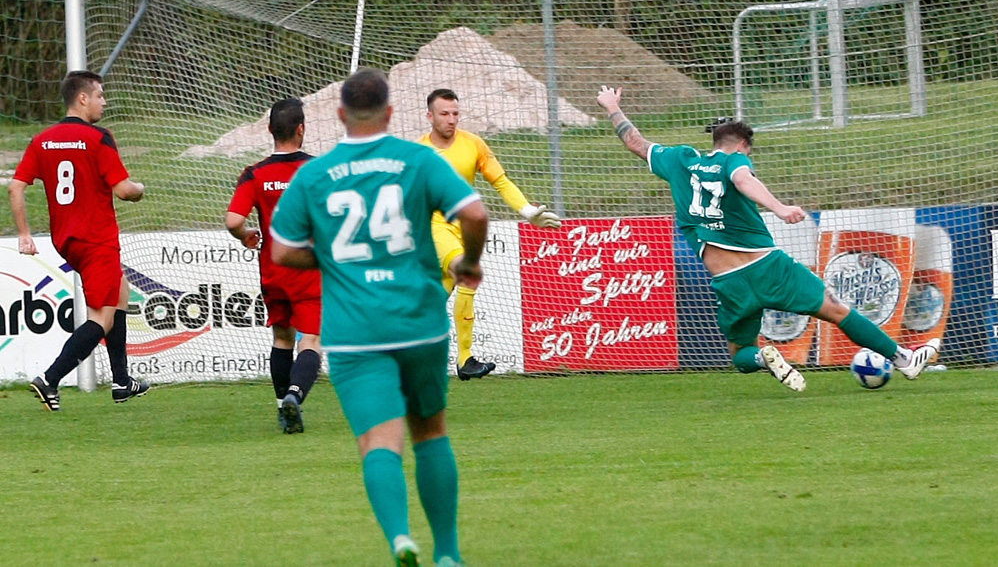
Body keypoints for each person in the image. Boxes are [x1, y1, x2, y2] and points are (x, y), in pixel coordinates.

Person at [271, 69, 487, 567]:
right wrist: (470, 262)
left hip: (353, 329)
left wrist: (331, 258)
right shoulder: (418, 159)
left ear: (341, 115)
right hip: (419, 322)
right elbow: (474, 213)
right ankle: (448, 554)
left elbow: (282, 250)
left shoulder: (314, 174)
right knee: (430, 431)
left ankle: (399, 538)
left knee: (379, 440)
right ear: (391, 114)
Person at [595, 85, 939, 391]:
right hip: (769, 267)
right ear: (742, 146)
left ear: (714, 140)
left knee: (741, 354)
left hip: (729, 281)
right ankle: (904, 359)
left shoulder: (680, 160)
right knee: (836, 309)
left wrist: (612, 106)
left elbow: (635, 142)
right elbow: (743, 179)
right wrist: (779, 207)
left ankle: (764, 358)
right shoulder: (735, 161)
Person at [9, 70, 149, 410]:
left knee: (120, 292)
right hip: (96, 238)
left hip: (67, 239)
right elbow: (124, 190)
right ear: (82, 98)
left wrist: (25, 234)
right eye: (100, 95)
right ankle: (50, 379)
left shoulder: (42, 139)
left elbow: (16, 187)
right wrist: (140, 189)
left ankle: (121, 381)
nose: (104, 101)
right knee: (100, 318)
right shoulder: (99, 138)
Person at [417, 88, 560, 380]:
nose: (451, 119)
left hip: (466, 229)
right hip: (434, 227)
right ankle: (465, 359)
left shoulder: (474, 144)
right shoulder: (418, 153)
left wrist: (526, 211)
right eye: (444, 114)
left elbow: (501, 181)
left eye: (455, 113)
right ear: (429, 116)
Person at [226, 98, 323, 434]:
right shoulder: (317, 170)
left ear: (269, 131)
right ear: (301, 129)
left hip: (273, 271)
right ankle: (296, 394)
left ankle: (284, 407)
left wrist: (245, 234)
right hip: (308, 270)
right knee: (310, 341)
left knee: (282, 339)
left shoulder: (255, 173)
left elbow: (232, 219)